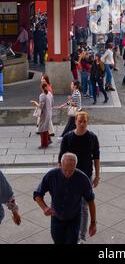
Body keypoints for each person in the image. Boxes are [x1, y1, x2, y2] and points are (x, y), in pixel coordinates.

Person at [33, 153, 96, 244]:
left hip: (74, 218)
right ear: (60, 164)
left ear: (75, 166)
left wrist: (93, 223)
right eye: (65, 170)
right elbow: (37, 194)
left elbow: (90, 200)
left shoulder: (82, 179)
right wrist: (45, 208)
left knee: (72, 241)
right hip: (56, 218)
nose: (68, 174)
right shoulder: (51, 175)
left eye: (71, 171)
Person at [58, 112, 100, 244]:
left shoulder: (92, 137)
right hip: (69, 176)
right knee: (69, 203)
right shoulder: (68, 137)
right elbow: (61, 159)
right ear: (75, 121)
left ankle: (81, 237)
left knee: (84, 206)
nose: (82, 124)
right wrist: (62, 176)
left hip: (86, 177)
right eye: (80, 121)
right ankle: (69, 231)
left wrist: (97, 176)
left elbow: (96, 157)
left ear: (87, 123)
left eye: (84, 122)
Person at [31, 82, 53, 149]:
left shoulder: (42, 95)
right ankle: (48, 140)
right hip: (49, 112)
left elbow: (41, 106)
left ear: (42, 88)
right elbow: (52, 103)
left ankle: (44, 144)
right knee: (45, 127)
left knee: (42, 128)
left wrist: (35, 103)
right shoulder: (50, 94)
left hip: (44, 114)